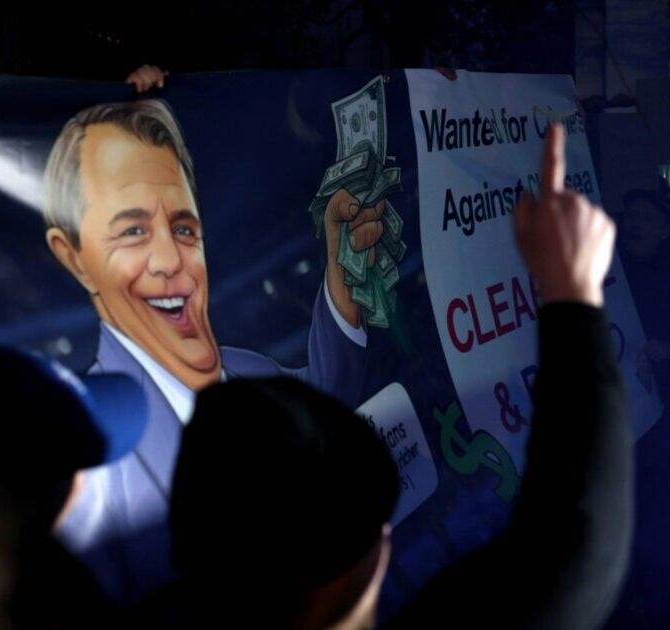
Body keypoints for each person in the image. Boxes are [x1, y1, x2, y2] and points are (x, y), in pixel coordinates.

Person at [132, 124, 633, 628]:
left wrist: (341, 270)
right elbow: (574, 550)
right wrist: (572, 289)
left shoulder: (242, 370)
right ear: (350, 578)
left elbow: (325, 386)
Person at [41, 97, 383, 599]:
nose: (169, 259)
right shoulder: (88, 461)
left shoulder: (247, 371)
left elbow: (328, 399)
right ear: (74, 259)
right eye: (133, 231)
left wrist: (342, 267)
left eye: (183, 228)